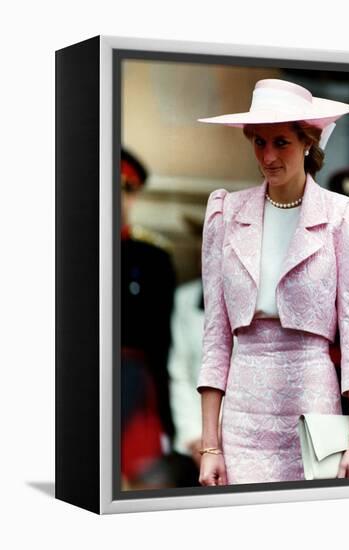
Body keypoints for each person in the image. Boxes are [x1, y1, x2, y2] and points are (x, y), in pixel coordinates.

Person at [196, 79, 349, 485]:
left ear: (308, 142)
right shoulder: (226, 213)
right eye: (258, 142)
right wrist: (211, 446)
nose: (268, 156)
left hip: (312, 405)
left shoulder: (342, 216)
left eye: (281, 142)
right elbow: (216, 335)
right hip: (242, 417)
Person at [120, 148, 176, 485]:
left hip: (132, 383)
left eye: (125, 190)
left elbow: (160, 346)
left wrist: (167, 423)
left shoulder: (152, 258)